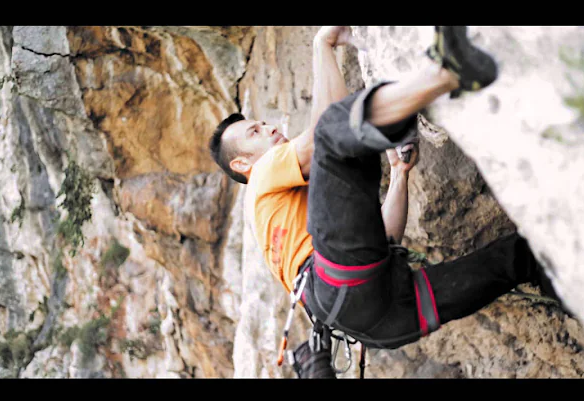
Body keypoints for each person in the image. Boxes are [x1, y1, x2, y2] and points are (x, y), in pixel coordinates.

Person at [209, 26, 560, 377]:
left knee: (521, 258)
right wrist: (323, 45)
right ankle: (447, 71)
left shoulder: (281, 218)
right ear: (242, 164)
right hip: (344, 289)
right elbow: (324, 135)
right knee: (333, 132)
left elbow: (383, 244)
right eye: (254, 132)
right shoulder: (264, 173)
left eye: (261, 123)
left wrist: (400, 176)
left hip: (378, 321)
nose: (268, 128)